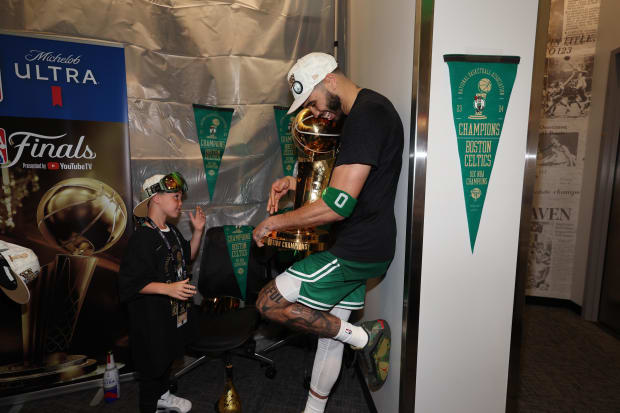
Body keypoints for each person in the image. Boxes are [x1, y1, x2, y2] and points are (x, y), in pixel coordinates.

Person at [253, 52, 403, 413]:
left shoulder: (367, 115)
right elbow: (348, 186)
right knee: (329, 336)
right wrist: (295, 182)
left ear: (329, 80)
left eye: (315, 102)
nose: (317, 113)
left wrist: (275, 222)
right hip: (370, 246)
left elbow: (337, 205)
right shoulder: (366, 112)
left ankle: (365, 337)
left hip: (356, 249)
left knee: (269, 302)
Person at [119, 172, 205, 413]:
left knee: (166, 360)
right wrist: (169, 288)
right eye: (176, 197)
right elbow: (130, 284)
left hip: (170, 315)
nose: (180, 202)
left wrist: (198, 231)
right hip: (150, 320)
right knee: (151, 371)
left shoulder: (171, 231)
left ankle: (163, 396)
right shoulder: (142, 237)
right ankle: (150, 404)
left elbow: (187, 257)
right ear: (155, 198)